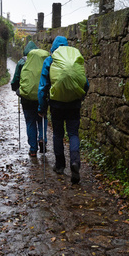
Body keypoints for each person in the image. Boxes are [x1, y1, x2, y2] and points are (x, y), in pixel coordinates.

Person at [38, 36, 89, 184]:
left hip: (57, 104)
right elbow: (84, 82)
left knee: (58, 134)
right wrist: (81, 96)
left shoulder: (50, 60)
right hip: (74, 103)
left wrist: (42, 107)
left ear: (53, 47)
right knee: (73, 133)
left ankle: (60, 165)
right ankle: (75, 162)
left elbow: (43, 87)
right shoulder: (73, 57)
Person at [11, 41, 47, 157]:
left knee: (30, 122)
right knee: (42, 118)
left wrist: (17, 89)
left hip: (27, 98)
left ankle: (33, 149)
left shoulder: (22, 62)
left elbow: (15, 80)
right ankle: (42, 139)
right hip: (42, 97)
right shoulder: (44, 60)